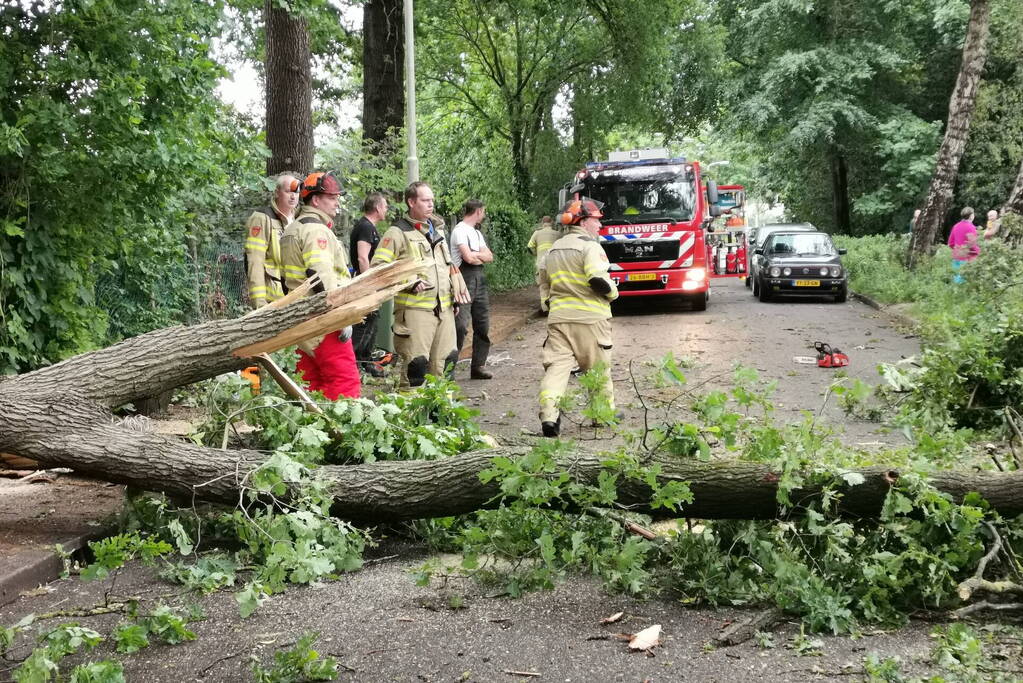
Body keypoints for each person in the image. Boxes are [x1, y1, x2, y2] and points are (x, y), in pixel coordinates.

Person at [371, 181, 471, 388]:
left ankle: (441, 409)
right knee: (416, 368)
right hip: (415, 312)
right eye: (425, 200)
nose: (431, 204)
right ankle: (412, 409)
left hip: (444, 311)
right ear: (411, 202)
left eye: (432, 200)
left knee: (446, 365)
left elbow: (446, 267)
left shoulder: (438, 231)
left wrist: (453, 298)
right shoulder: (397, 233)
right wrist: (409, 282)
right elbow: (379, 269)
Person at [537, 197, 618, 437]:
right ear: (583, 222)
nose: (599, 225)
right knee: (597, 370)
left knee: (556, 369)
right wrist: (613, 294)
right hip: (590, 320)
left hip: (559, 320)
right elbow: (596, 278)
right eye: (596, 220)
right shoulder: (590, 246)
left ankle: (549, 416)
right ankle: (601, 415)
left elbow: (543, 283)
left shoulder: (553, 249)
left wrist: (549, 304)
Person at [279, 171, 361, 399]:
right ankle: (341, 422)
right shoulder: (316, 230)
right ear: (315, 200)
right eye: (332, 197)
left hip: (299, 318)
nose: (337, 203)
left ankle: (312, 421)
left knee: (310, 385)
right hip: (323, 321)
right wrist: (340, 316)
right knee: (344, 383)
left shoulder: (292, 229)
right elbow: (320, 275)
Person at [450, 199, 494, 379]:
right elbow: (467, 258)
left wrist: (476, 255)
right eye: (483, 212)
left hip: (479, 279)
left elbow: (490, 257)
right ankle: (448, 369)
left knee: (482, 324)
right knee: (460, 325)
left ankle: (478, 366)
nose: (483, 215)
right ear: (478, 211)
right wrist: (478, 255)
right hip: (462, 279)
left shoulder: (476, 233)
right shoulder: (459, 231)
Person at [349, 192, 389, 377]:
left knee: (372, 322)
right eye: (385, 206)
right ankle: (353, 364)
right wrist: (369, 284)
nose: (386, 209)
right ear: (378, 207)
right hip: (365, 284)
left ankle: (365, 362)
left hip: (370, 283)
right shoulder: (365, 227)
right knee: (364, 324)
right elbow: (362, 258)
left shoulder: (369, 227)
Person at [244, 174, 299, 308]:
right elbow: (255, 261)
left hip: (295, 299)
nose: (293, 196)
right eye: (288, 191)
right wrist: (259, 303)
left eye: (296, 192)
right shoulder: (262, 218)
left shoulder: (298, 221)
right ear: (277, 192)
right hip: (272, 300)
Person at [526, 216, 561, 310]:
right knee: (555, 286)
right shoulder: (558, 234)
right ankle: (554, 307)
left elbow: (529, 246)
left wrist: (535, 254)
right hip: (555, 265)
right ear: (552, 222)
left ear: (542, 223)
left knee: (544, 287)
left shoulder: (537, 233)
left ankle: (545, 309)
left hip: (541, 264)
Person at [948, 206, 979, 284]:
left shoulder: (956, 226)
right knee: (963, 281)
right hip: (966, 257)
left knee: (955, 279)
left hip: (956, 255)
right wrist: (978, 252)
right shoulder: (971, 227)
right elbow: (972, 244)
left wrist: (957, 249)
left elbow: (950, 243)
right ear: (971, 216)